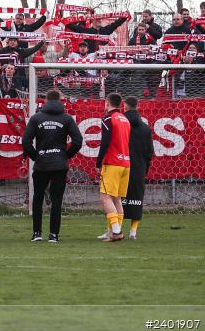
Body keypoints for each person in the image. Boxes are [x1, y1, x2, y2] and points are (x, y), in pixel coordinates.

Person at [22, 89, 83, 243]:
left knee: (37, 198)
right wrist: (65, 156)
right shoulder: (67, 118)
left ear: (46, 100)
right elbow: (78, 141)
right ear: (61, 100)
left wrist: (37, 157)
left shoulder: (36, 118)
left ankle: (37, 233)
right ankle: (54, 235)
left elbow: (26, 142)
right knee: (57, 200)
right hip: (59, 165)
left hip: (41, 164)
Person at [96, 92, 131, 242]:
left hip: (112, 163)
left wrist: (98, 163)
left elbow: (105, 142)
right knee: (116, 198)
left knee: (105, 197)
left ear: (107, 103)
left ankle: (116, 231)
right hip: (126, 163)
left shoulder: (108, 118)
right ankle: (114, 230)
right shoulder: (125, 119)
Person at [120, 96, 154, 241]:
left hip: (120, 164)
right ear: (138, 107)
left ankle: (114, 229)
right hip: (139, 166)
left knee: (116, 198)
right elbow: (149, 151)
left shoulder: (120, 124)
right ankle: (133, 232)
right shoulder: (145, 128)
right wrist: (145, 167)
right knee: (137, 198)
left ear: (125, 107)